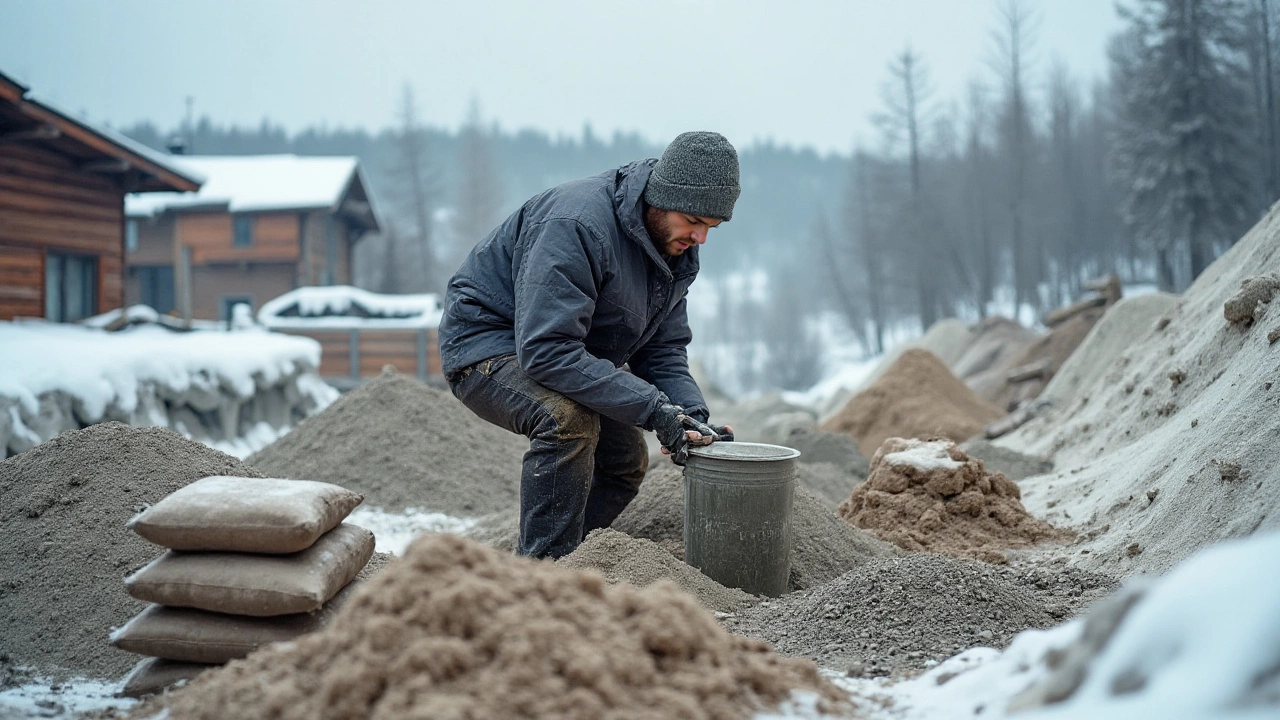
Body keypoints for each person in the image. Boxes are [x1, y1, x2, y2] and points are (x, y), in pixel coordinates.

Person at [439, 131, 739, 559]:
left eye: (711, 228)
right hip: (486, 344)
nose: (701, 238)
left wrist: (690, 415)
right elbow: (546, 349)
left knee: (624, 460)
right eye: (694, 222)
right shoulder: (576, 225)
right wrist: (653, 408)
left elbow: (663, 350)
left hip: (565, 350)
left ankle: (575, 558)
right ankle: (542, 578)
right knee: (568, 421)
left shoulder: (675, 252)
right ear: (662, 197)